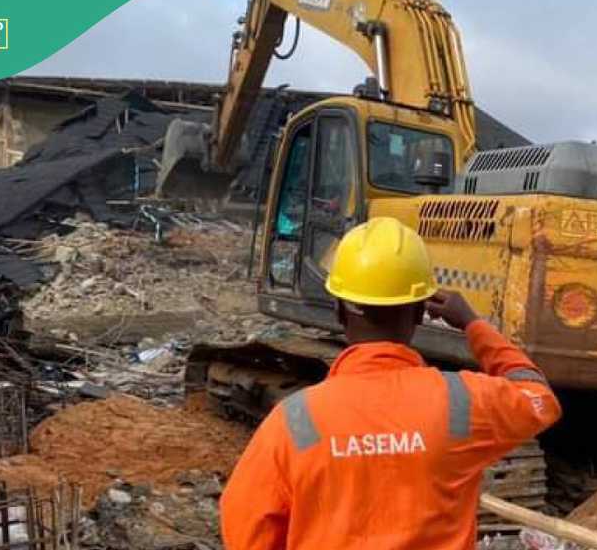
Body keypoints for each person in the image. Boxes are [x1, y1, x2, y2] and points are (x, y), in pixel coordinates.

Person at [220, 217, 562, 550]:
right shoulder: (463, 402)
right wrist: (473, 325)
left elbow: (245, 528)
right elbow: (539, 397)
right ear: (418, 312)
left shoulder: (294, 420)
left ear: (339, 310)